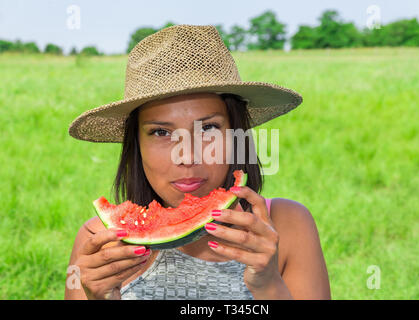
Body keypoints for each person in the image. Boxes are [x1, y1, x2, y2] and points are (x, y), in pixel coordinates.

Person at [64, 24, 330, 300]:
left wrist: (268, 285)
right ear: (136, 146)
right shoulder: (98, 243)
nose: (187, 156)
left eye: (208, 129)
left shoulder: (288, 226)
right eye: (161, 132)